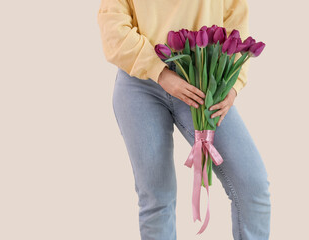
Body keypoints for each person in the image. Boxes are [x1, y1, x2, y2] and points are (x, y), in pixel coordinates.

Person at [97, 0, 271, 239]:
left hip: (205, 79)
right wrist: (158, 71)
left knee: (253, 186)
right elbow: (112, 23)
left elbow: (235, 19)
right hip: (139, 82)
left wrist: (233, 83)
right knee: (157, 198)